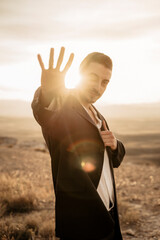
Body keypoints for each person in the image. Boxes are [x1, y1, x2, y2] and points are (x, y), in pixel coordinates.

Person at [31, 47, 125, 240]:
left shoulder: (98, 115)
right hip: (82, 219)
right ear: (80, 74)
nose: (98, 87)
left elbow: (113, 160)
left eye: (104, 82)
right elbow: (46, 113)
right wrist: (48, 92)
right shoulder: (64, 107)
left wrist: (116, 145)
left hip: (108, 214)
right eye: (92, 77)